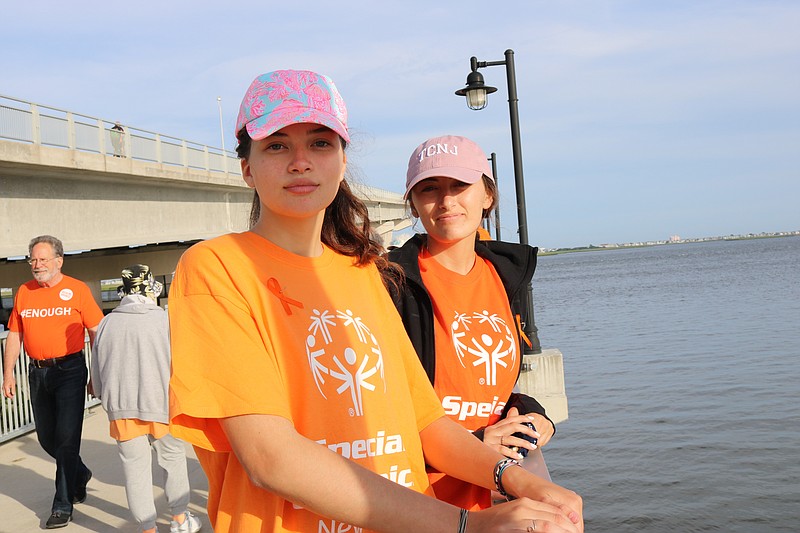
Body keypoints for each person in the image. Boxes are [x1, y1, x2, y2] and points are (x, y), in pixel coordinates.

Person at [168, 69, 582, 533]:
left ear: (342, 161)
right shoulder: (217, 267)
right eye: (277, 145)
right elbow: (271, 458)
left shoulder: (363, 271)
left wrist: (519, 480)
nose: (301, 161)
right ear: (247, 167)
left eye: (321, 143)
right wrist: (468, 524)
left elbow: (427, 422)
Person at [388, 135, 556, 511]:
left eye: (460, 185)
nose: (446, 201)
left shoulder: (504, 276)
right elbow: (374, 410)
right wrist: (476, 440)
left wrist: (529, 411)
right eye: (429, 188)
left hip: (485, 496)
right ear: (413, 203)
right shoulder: (390, 282)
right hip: (417, 500)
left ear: (487, 196)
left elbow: (479, 386)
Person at [90, 264, 201, 533]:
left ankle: (147, 528)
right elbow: (182, 363)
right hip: (161, 403)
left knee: (135, 470)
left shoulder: (107, 323)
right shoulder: (165, 320)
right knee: (172, 460)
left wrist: (104, 394)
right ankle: (179, 520)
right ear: (151, 287)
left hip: (122, 407)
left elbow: (96, 368)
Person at [2, 235, 102, 529]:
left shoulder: (77, 290)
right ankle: (79, 473)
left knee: (67, 439)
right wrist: (8, 373)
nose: (37, 265)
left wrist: (96, 373)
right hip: (37, 372)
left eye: (43, 259)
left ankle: (62, 504)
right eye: (32, 259)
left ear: (59, 261)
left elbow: (97, 332)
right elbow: (15, 335)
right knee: (47, 438)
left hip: (70, 370)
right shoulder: (24, 292)